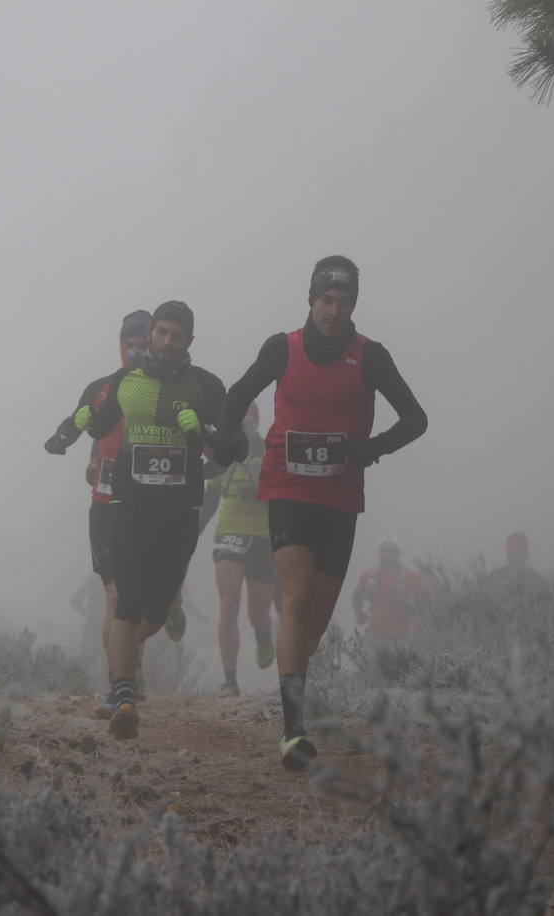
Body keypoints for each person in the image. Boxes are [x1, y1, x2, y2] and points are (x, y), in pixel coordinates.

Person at [214, 255, 427, 769]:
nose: (334, 311)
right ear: (311, 299)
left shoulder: (369, 356)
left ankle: (293, 688)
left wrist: (369, 449)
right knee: (297, 594)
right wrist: (226, 440)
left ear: (354, 304)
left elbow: (416, 419)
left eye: (344, 302)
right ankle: (293, 730)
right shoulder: (281, 348)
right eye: (326, 300)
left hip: (338, 496)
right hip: (286, 486)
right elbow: (239, 392)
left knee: (314, 620)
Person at [82, 300, 237, 739]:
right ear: (152, 332)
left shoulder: (205, 386)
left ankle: (139, 650)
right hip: (130, 506)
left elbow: (232, 451)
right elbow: (100, 427)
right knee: (124, 601)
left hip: (180, 510)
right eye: (162, 332)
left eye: (177, 335)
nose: (167, 342)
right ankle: (124, 694)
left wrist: (204, 433)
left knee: (153, 612)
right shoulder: (125, 380)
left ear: (189, 340)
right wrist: (82, 422)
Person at [45, 309, 152, 716]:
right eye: (131, 346)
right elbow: (79, 420)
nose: (137, 353)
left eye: (144, 346)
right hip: (106, 503)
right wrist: (60, 438)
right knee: (113, 594)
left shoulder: (164, 387)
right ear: (121, 346)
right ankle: (118, 682)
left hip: (150, 503)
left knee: (138, 601)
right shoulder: (103, 387)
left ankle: (131, 667)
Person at [211, 403, 276, 697]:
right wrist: (191, 532)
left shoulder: (269, 448)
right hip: (230, 530)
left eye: (249, 417)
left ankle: (263, 635)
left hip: (262, 535)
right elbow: (211, 494)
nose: (244, 424)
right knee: (228, 602)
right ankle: (230, 679)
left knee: (258, 614)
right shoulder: (223, 450)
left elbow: (284, 492)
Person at [351, 535, 422, 662]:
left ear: (398, 553)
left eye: (391, 550)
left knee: (400, 671)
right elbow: (357, 596)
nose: (387, 554)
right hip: (374, 635)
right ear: (379, 553)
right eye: (383, 550)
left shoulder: (411, 577)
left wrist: (418, 625)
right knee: (371, 671)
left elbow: (424, 602)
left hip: (401, 635)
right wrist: (359, 614)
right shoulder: (367, 576)